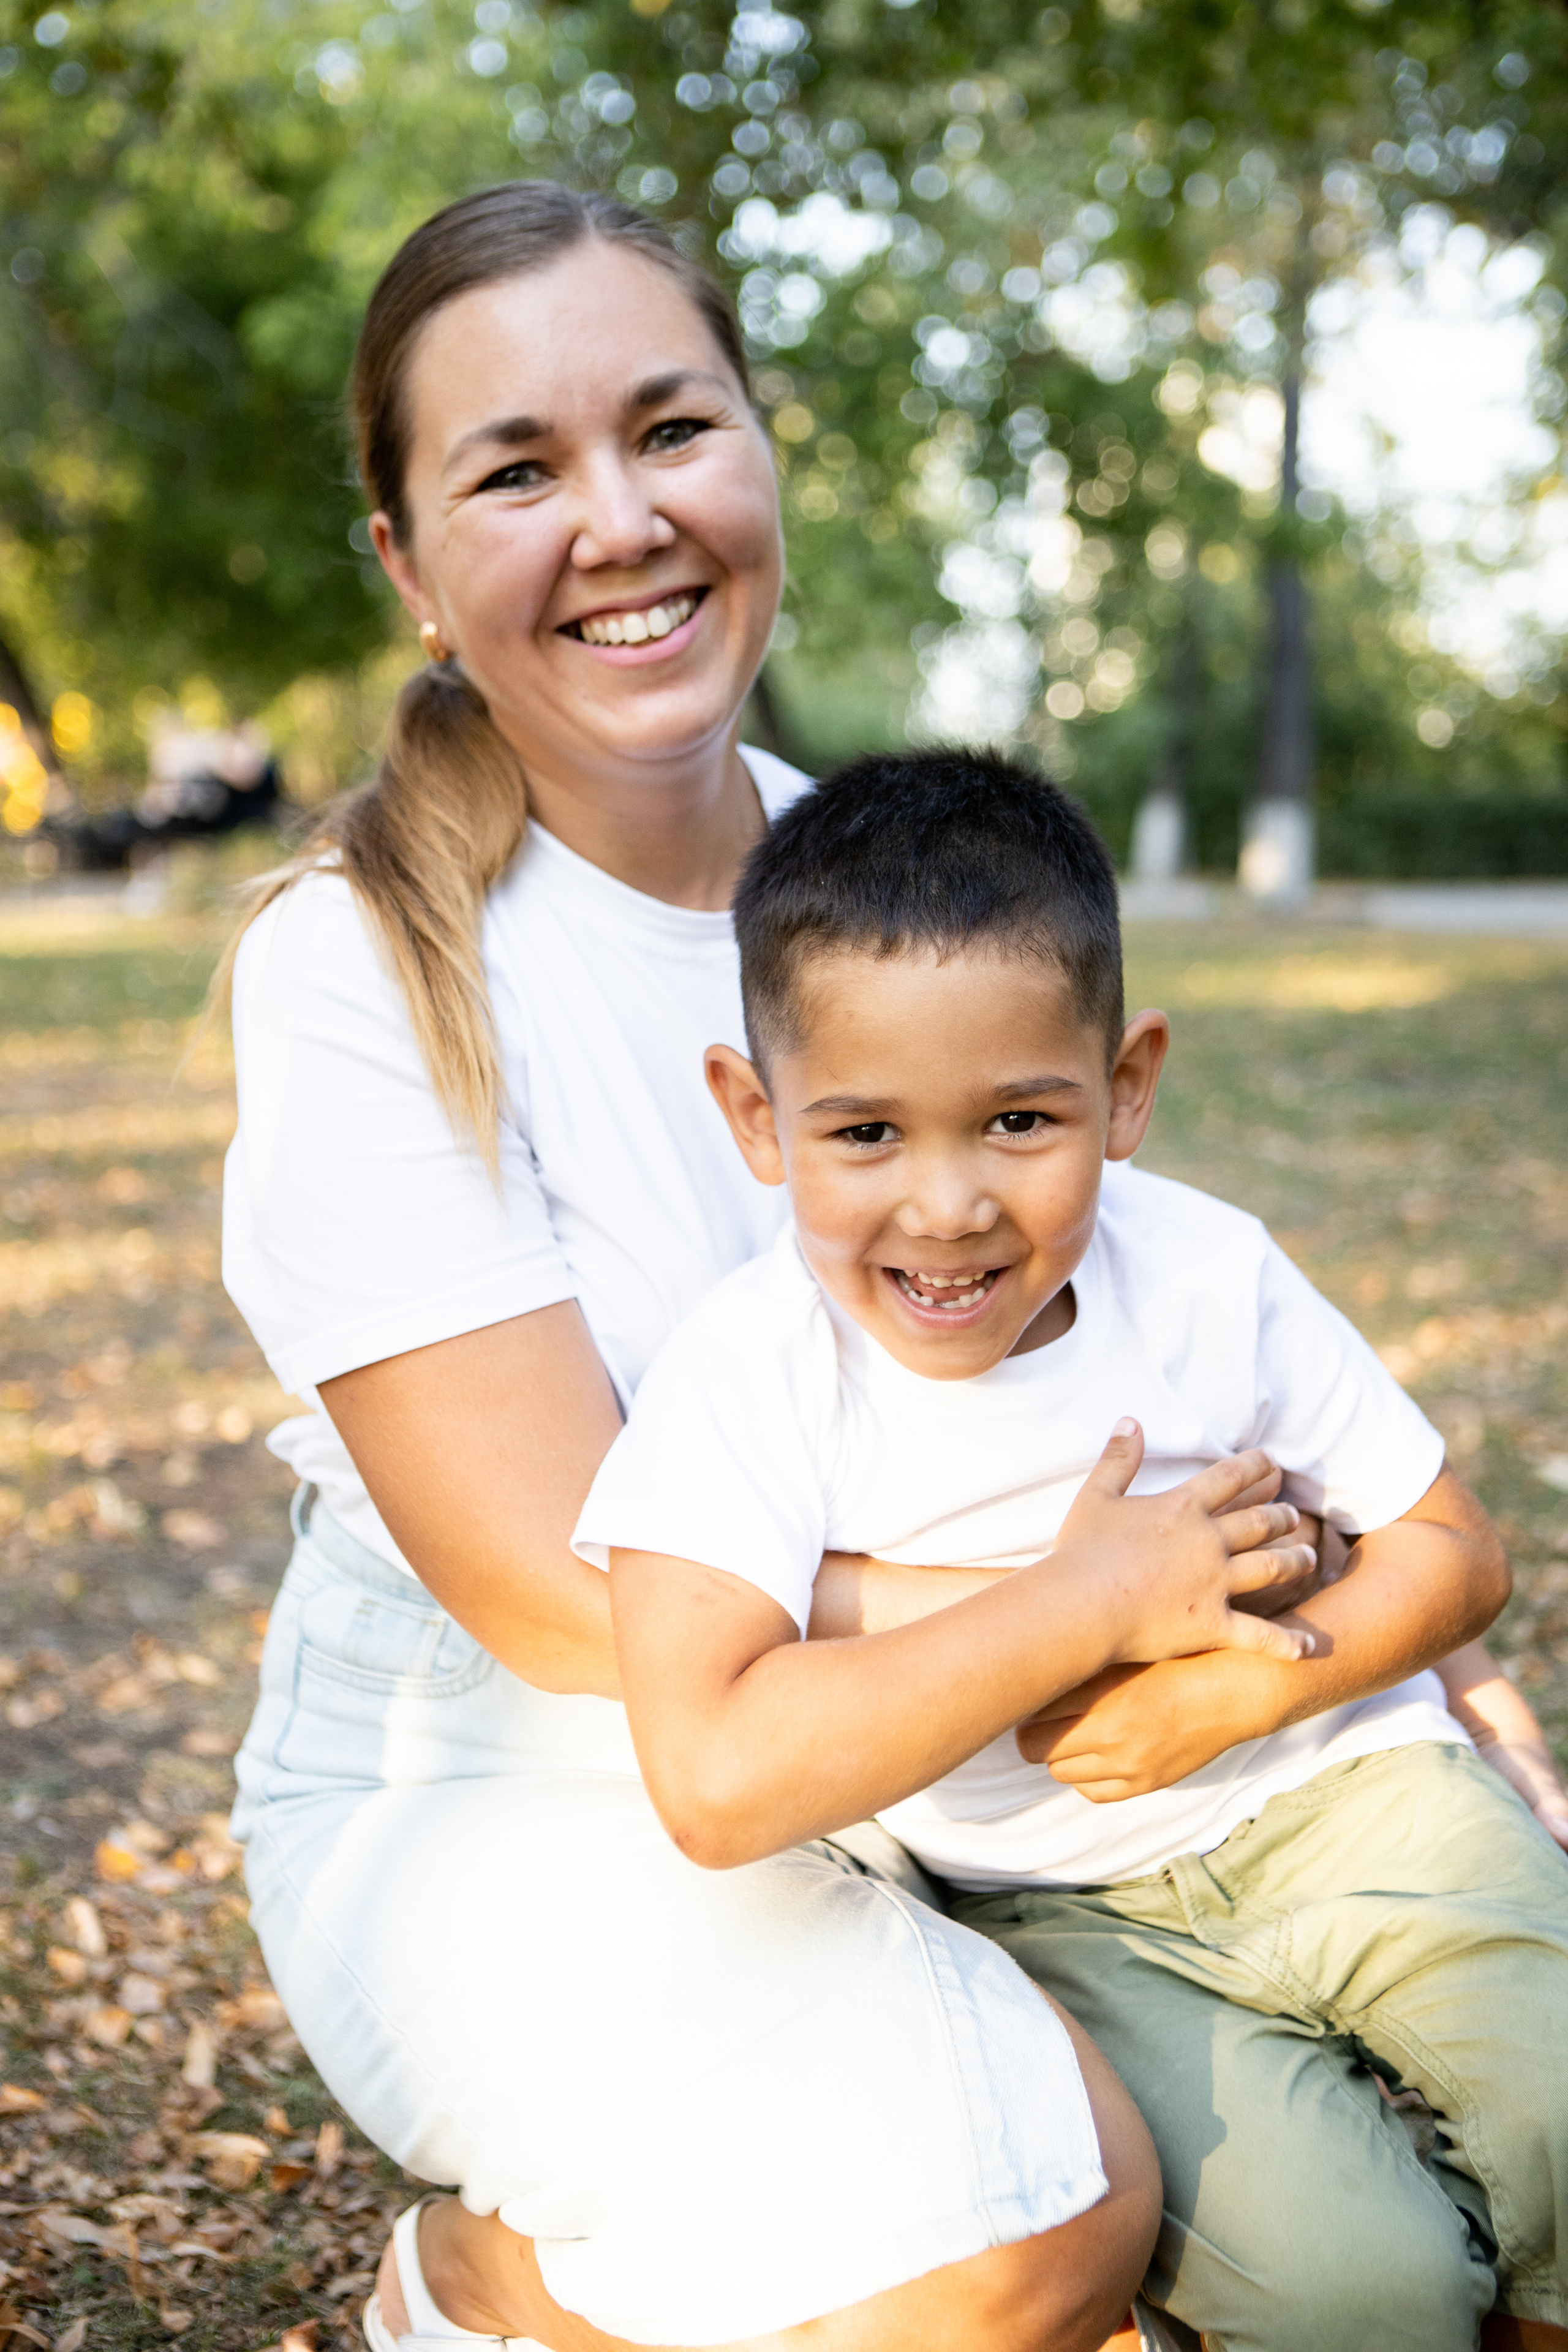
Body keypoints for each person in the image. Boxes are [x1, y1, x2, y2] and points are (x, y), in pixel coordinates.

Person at [222, 181, 1241, 2352]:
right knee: (1043, 2229)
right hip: (505, 1785)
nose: (621, 520)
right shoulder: (357, 969)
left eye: (672, 430)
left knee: (1390, 2154)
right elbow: (552, 1592)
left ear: (762, 456)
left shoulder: (875, 873)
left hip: (892, 1746)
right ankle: (492, 2292)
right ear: (409, 568)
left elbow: (1111, 1318)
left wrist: (1337, 1614)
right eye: (515, 469)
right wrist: (1084, 1610)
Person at [581, 748, 1568, 2352]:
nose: (950, 1203)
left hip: (1350, 1788)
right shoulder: (744, 1376)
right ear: (755, 1120)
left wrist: (1225, 1703)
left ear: (1128, 1089)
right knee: (1362, 2295)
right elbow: (711, 1777)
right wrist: (1091, 1600)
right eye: (867, 1134)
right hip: (1060, 1904)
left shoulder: (1209, 1272)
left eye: (1021, 1118)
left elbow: (1454, 1551)